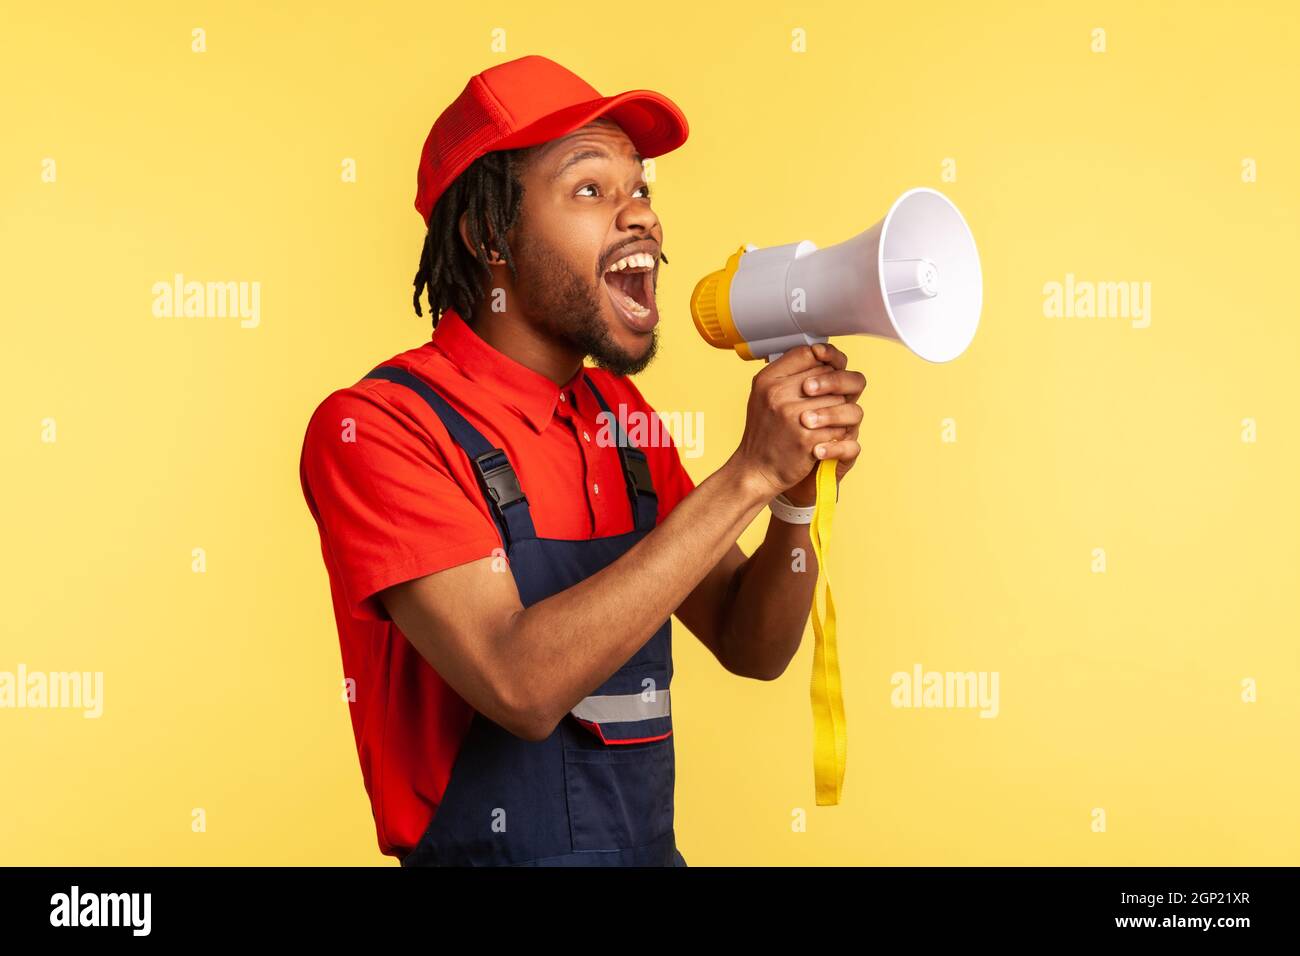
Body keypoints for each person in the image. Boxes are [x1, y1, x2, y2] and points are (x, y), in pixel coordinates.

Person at [298, 54, 865, 866]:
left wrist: (793, 502)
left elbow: (753, 645)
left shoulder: (621, 421)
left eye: (641, 189)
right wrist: (747, 474)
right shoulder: (380, 428)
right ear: (488, 233)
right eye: (591, 189)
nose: (640, 216)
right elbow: (517, 686)